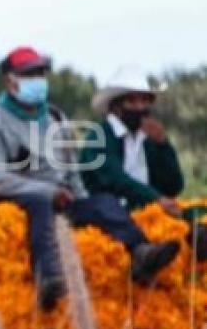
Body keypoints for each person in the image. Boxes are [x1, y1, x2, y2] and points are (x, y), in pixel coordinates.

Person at [0, 46, 179, 310]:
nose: (38, 80)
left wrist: (83, 203)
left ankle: (140, 251)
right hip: (18, 198)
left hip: (60, 196)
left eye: (41, 73)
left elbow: (70, 169)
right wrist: (46, 192)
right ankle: (48, 278)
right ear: (10, 82)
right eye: (30, 75)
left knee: (103, 202)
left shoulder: (54, 116)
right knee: (40, 204)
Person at [80, 65, 206, 259]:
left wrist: (163, 145)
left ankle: (199, 241)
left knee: (199, 211)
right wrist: (154, 198)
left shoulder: (147, 137)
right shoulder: (100, 135)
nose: (140, 108)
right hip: (113, 209)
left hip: (150, 207)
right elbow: (114, 178)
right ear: (116, 106)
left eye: (144, 101)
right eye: (132, 101)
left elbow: (174, 186)